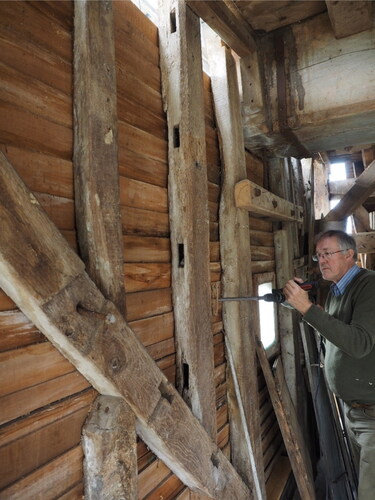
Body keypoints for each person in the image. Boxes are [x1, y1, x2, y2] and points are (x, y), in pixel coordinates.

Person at [283, 229, 375, 500]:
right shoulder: (336, 290)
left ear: (349, 255)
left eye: (328, 254)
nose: (321, 260)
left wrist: (307, 310)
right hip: (354, 411)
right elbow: (333, 328)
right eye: (318, 255)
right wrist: (299, 303)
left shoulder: (369, 286)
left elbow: (359, 344)